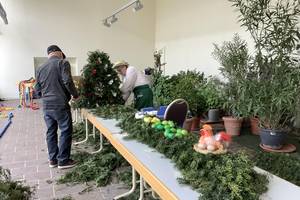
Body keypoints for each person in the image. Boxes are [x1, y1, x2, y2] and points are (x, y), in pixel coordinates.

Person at [35, 45, 78, 169]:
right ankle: (63, 161)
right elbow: (67, 81)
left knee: (51, 131)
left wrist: (43, 97)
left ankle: (53, 160)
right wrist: (75, 95)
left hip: (47, 105)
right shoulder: (63, 63)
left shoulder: (40, 67)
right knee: (65, 130)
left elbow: (37, 89)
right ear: (59, 52)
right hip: (60, 103)